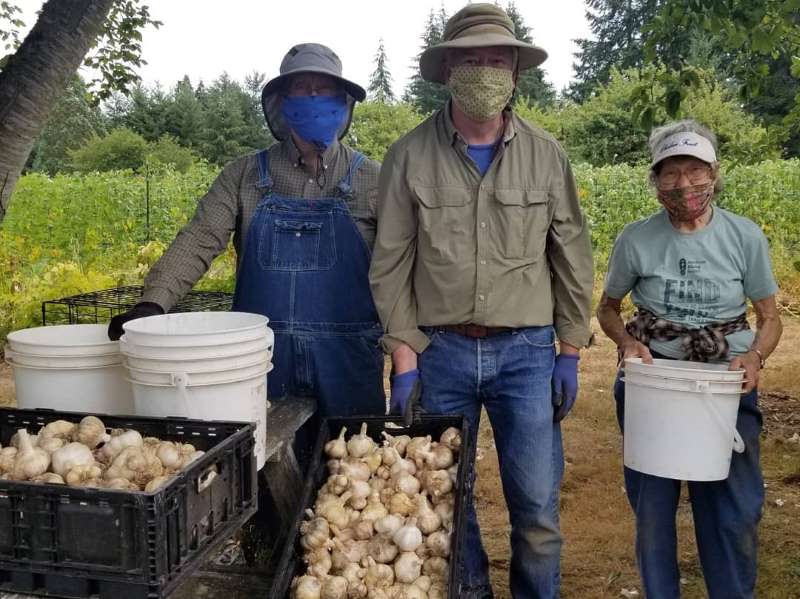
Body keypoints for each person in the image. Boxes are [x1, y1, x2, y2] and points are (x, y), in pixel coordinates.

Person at [369, 4, 594, 597]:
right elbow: (390, 262)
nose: (485, 71)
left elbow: (572, 254)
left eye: (497, 59)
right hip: (438, 351)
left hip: (525, 354)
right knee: (446, 500)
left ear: (516, 72)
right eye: (471, 59)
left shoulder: (547, 156)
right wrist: (404, 356)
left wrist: (569, 350)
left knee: (539, 510)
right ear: (447, 71)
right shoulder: (409, 156)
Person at [109, 43, 385, 417]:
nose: (314, 98)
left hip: (348, 361)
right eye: (303, 89)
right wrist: (153, 302)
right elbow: (200, 238)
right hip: (261, 360)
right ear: (283, 102)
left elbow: (402, 263)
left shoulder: (375, 179)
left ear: (343, 102)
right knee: (263, 465)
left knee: (354, 463)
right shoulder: (244, 176)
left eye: (325, 90)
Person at [596, 119, 783, 599]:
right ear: (654, 180)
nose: (685, 185)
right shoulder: (636, 239)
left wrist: (756, 357)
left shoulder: (744, 237)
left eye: (695, 170)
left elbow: (769, 317)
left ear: (715, 172)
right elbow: (608, 308)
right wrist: (628, 344)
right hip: (656, 383)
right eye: (670, 173)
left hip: (726, 384)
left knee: (733, 510)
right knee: (653, 510)